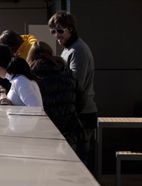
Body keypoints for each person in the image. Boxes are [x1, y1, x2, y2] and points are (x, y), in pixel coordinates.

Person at [48, 11, 97, 172]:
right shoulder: (69, 49)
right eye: (53, 31)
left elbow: (75, 84)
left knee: (80, 165)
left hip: (82, 114)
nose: (57, 35)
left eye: (60, 30)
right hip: (78, 113)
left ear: (71, 29)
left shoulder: (77, 50)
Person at [26, 41, 82, 148]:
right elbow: (80, 99)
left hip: (44, 132)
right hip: (69, 131)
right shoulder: (66, 71)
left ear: (30, 56)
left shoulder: (31, 77)